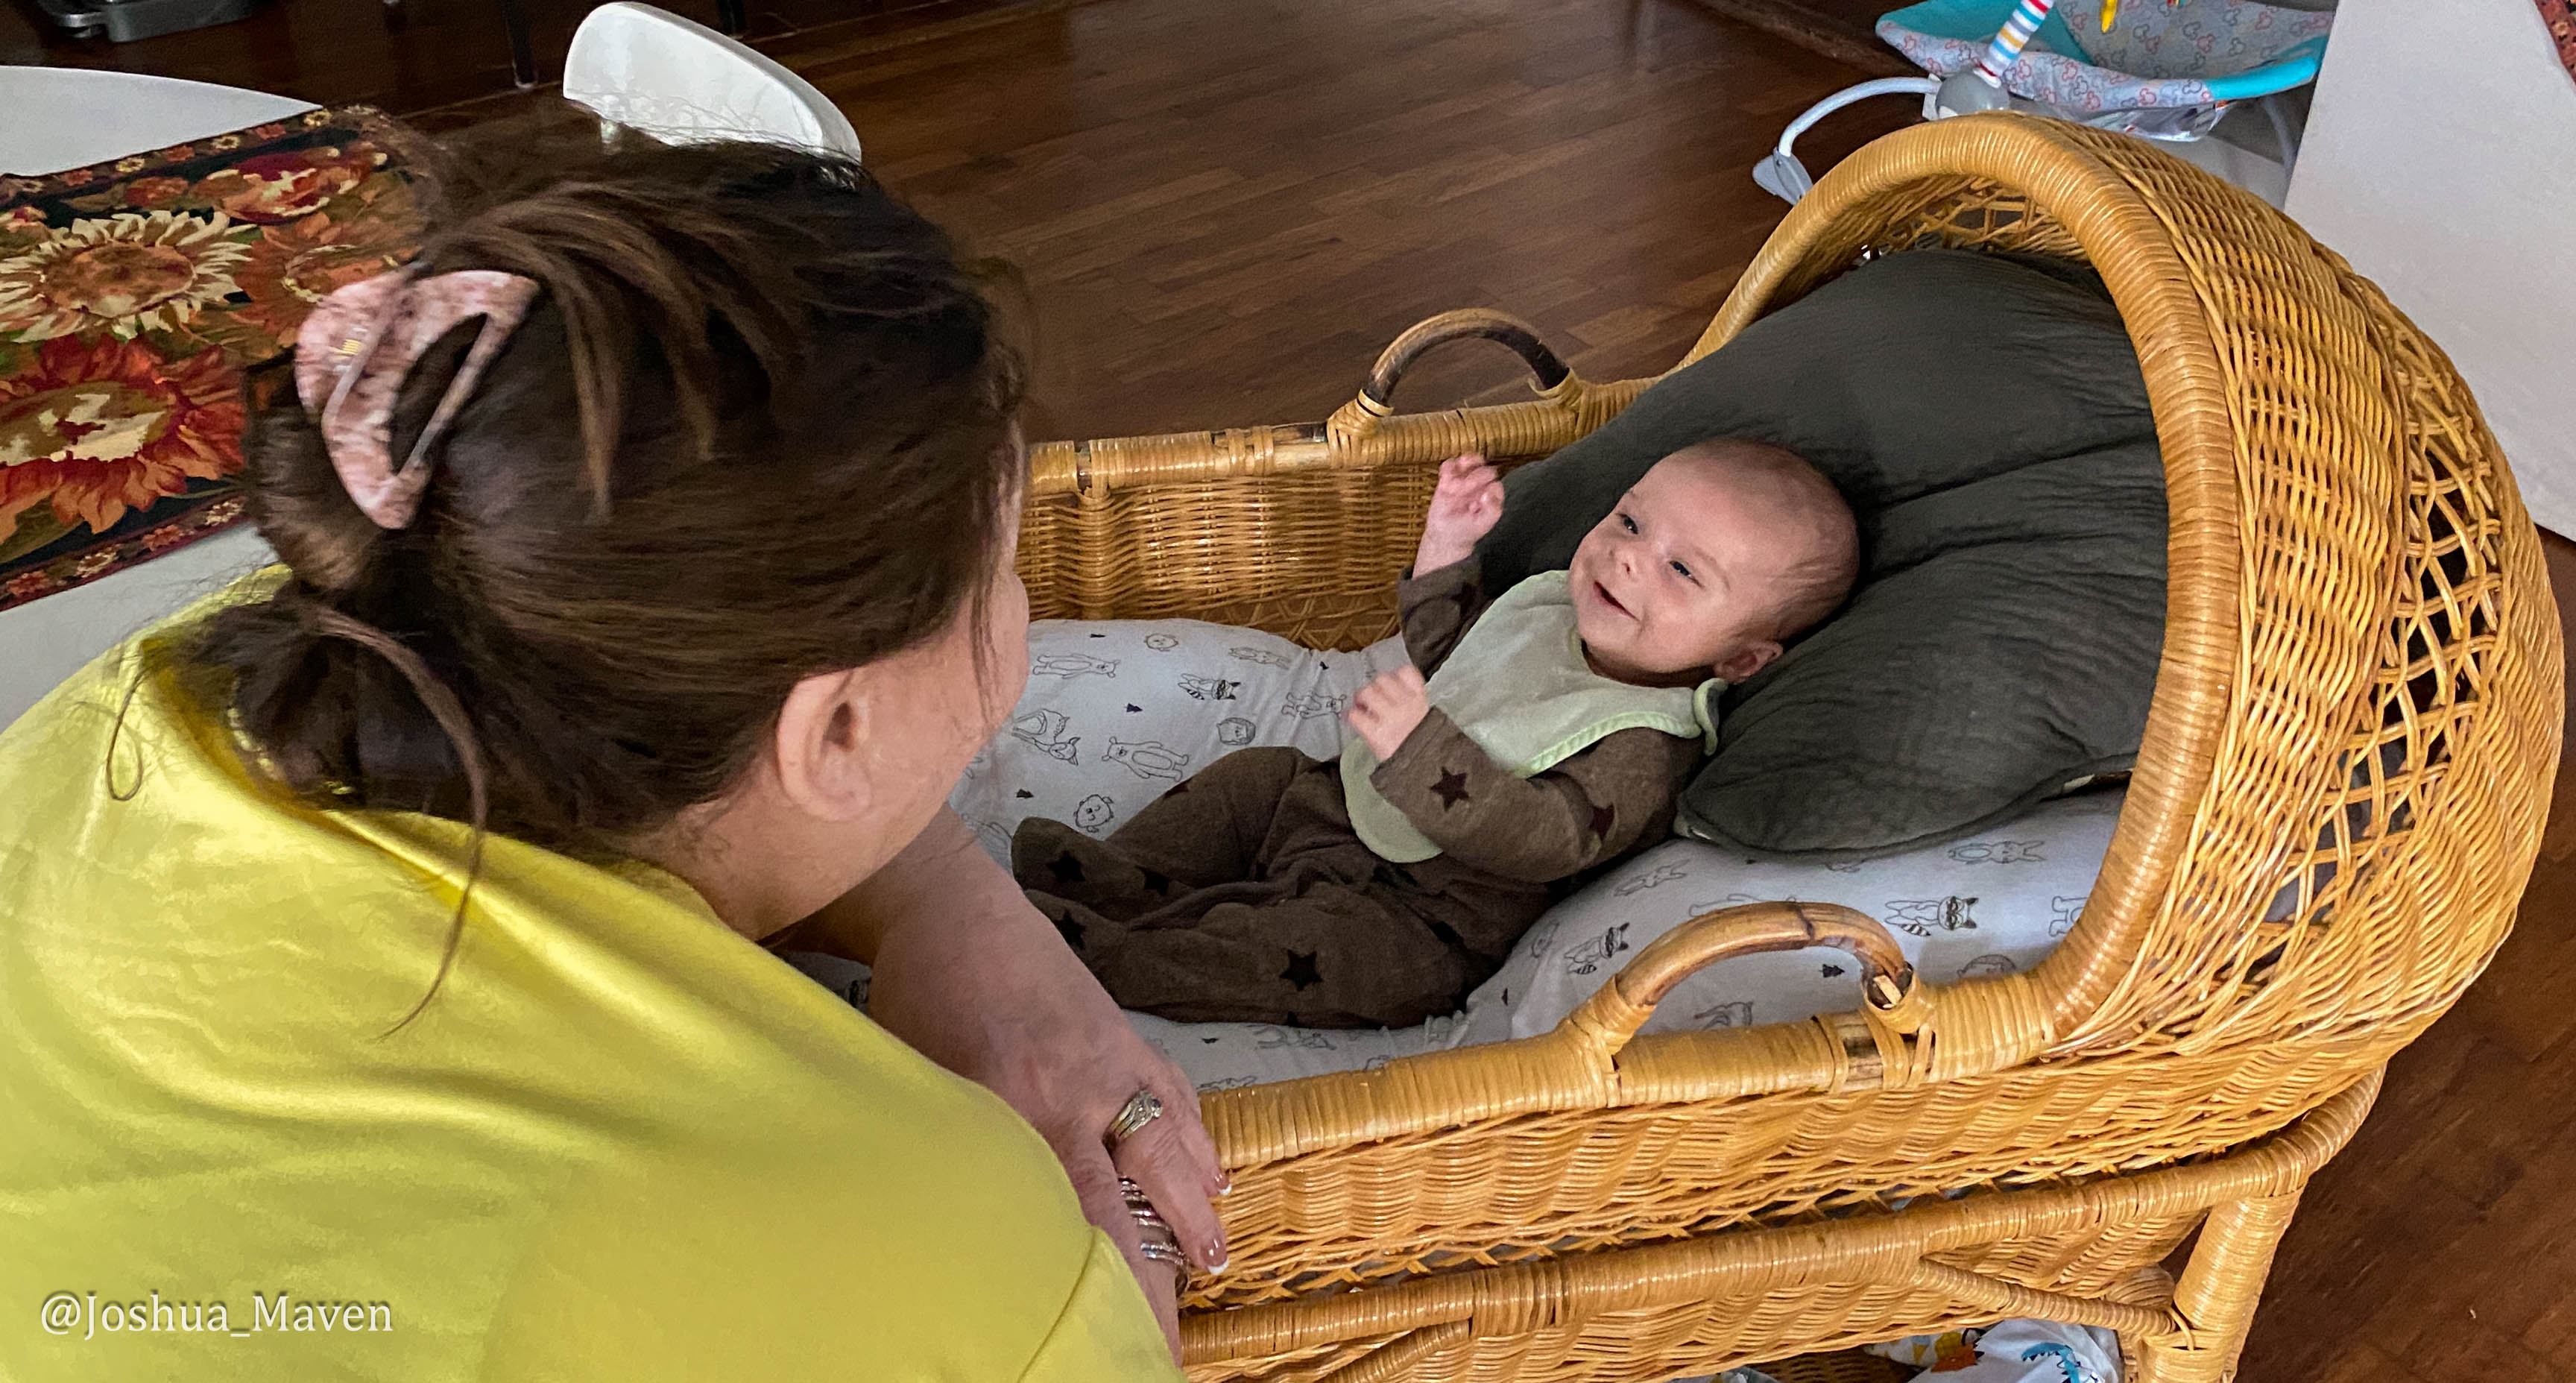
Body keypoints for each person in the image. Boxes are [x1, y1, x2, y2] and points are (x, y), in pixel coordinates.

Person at [0, 143, 1220, 1381]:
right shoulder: (961, 1274)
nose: (1021, 605)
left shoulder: (164, 689)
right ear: (838, 733)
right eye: (1004, 573)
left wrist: (946, 900)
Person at [1014, 441, 1860, 1027]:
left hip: (1421, 918)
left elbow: (1542, 837)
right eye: (1631, 523)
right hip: (1337, 805)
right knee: (1252, 778)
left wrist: (1421, 749)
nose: (1630, 558)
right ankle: (1123, 876)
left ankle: (1114, 955)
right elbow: (1458, 657)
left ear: (1744, 658)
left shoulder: (1644, 740)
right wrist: (1446, 550)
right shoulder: (1552, 613)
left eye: (1683, 570)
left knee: (1288, 950)